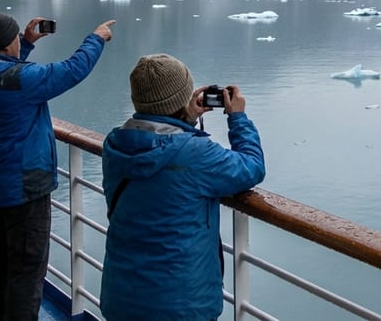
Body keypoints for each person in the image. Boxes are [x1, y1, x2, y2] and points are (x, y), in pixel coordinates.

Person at [0, 11, 115, 321]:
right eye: (15, 38)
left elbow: (5, 76)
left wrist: (26, 43)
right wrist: (96, 39)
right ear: (4, 47)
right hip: (24, 190)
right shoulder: (19, 82)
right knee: (27, 274)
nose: (18, 40)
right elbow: (70, 71)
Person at [99, 54, 265, 321]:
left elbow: (158, 150)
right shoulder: (195, 152)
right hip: (181, 304)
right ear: (183, 98)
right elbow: (252, 167)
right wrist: (238, 119)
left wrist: (183, 120)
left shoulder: (115, 144)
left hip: (122, 297)